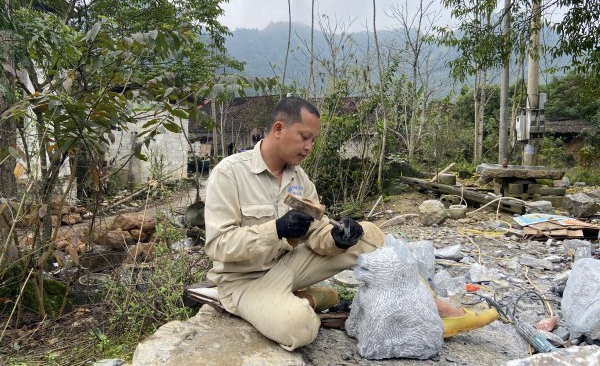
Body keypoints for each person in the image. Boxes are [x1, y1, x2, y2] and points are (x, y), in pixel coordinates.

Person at [204, 96, 498, 351]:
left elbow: (317, 234)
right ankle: (306, 300)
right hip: (245, 282)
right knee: (300, 328)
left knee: (369, 234)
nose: (309, 147)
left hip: (287, 266)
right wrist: (276, 229)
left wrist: (338, 238)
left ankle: (438, 309)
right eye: (304, 137)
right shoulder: (229, 174)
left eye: (313, 140)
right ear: (278, 129)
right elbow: (218, 246)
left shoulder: (299, 179)